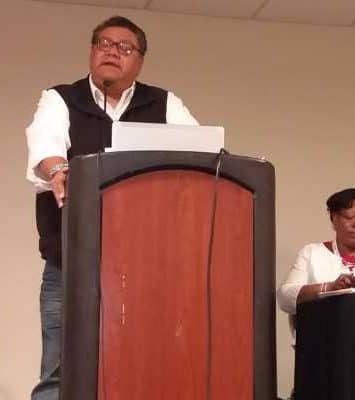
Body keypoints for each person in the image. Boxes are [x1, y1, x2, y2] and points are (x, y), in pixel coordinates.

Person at [25, 16, 198, 400]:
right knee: (58, 373)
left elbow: (200, 153)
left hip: (145, 268)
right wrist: (57, 169)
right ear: (91, 52)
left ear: (139, 61)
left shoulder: (165, 103)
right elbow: (45, 146)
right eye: (103, 43)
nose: (111, 51)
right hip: (69, 263)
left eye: (123, 47)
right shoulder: (60, 98)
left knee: (139, 363)